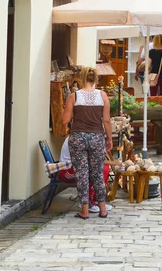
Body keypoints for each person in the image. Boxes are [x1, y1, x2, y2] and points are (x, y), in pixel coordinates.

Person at [62, 67, 112, 220]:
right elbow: (106, 120)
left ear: (82, 79)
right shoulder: (102, 96)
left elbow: (65, 120)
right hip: (97, 137)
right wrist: (109, 139)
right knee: (97, 172)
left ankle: (84, 210)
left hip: (78, 137)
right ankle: (102, 209)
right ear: (96, 79)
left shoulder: (73, 96)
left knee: (82, 173)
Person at [58, 136, 112, 213]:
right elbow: (92, 160)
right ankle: (86, 202)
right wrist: (113, 162)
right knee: (94, 170)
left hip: (76, 168)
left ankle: (97, 199)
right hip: (68, 170)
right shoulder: (75, 139)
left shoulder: (82, 136)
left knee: (104, 168)